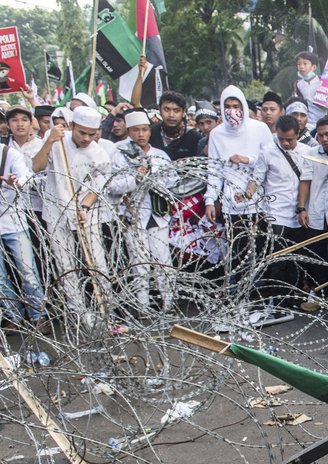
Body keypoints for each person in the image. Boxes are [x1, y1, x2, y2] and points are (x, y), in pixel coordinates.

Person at [32, 106, 114, 325]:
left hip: (85, 214)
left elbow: (98, 187)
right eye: (81, 133)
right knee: (65, 265)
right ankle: (79, 314)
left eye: (91, 133)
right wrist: (49, 141)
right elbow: (36, 167)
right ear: (72, 126)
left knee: (96, 262)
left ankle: (106, 309)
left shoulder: (99, 154)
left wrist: (84, 207)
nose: (86, 138)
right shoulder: (57, 142)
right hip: (56, 210)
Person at [241, 114, 312, 326]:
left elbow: (305, 182)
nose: (285, 143)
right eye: (281, 139)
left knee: (295, 258)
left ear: (297, 135)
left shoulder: (307, 153)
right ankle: (277, 301)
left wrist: (302, 208)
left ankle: (292, 298)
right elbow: (257, 178)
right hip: (275, 214)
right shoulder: (268, 152)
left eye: (289, 139)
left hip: (299, 213)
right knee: (277, 260)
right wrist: (247, 193)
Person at [204, 85, 274, 296]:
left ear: (244, 106)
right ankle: (241, 296)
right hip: (231, 204)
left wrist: (247, 159)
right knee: (238, 251)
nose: (232, 111)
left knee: (260, 251)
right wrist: (210, 200)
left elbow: (271, 160)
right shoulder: (217, 134)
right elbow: (214, 168)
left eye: (236, 106)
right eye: (227, 106)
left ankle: (259, 297)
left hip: (258, 201)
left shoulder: (259, 129)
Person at [109, 109, 177, 313]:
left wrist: (155, 178)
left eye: (145, 130)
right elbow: (113, 186)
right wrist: (136, 179)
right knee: (140, 264)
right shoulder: (120, 156)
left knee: (163, 260)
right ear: (129, 132)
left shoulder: (160, 155)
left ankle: (169, 303)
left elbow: (173, 180)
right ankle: (143, 306)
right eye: (136, 130)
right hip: (134, 215)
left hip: (158, 215)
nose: (141, 134)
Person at [0, 130, 50, 334]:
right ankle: (14, 316)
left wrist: (15, 182)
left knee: (28, 271)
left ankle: (38, 315)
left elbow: (27, 178)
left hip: (13, 220)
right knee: (0, 278)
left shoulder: (8, 154)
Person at [297, 115, 328, 310]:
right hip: (316, 212)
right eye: (320, 135)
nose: (324, 139)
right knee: (317, 256)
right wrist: (302, 208)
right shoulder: (312, 154)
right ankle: (319, 295)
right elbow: (305, 181)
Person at [149, 90, 201, 161]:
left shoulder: (194, 137)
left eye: (176, 110)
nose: (171, 115)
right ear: (160, 110)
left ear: (183, 112)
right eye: (166, 109)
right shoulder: (151, 134)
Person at [293, 52, 325, 124]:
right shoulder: (298, 84)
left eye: (305, 63)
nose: (301, 66)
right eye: (299, 64)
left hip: (324, 119)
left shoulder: (322, 81)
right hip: (308, 123)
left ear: (313, 67)